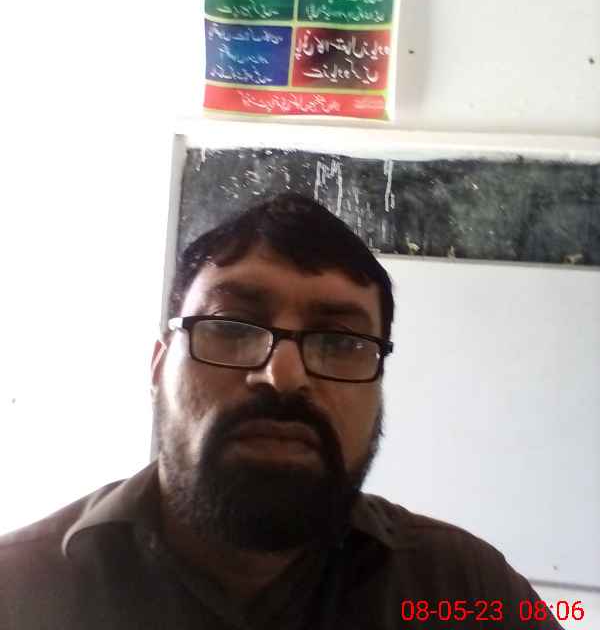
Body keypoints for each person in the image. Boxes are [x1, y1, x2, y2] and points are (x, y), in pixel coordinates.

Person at [0, 193, 563, 629]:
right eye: (230, 327)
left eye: (340, 342)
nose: (284, 376)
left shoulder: (465, 591)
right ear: (158, 366)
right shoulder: (19, 591)